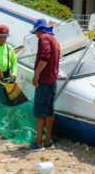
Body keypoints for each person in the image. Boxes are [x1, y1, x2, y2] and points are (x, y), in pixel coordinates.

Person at [28, 18, 60, 151]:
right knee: (49, 112)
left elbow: (45, 57)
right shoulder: (55, 40)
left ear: (38, 30)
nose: (35, 35)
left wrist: (36, 74)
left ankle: (38, 142)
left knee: (40, 112)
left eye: (35, 32)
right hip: (52, 80)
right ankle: (48, 142)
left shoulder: (44, 38)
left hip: (45, 80)